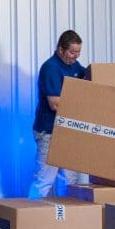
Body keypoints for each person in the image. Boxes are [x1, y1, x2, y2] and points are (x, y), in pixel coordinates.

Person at [28, 30, 90, 198]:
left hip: (66, 131)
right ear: (60, 50)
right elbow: (55, 103)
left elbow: (89, 76)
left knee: (70, 180)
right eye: (72, 52)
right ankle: (29, 217)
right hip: (49, 131)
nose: (75, 56)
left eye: (78, 52)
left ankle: (64, 219)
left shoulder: (73, 65)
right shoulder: (51, 67)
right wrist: (83, 106)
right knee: (45, 179)